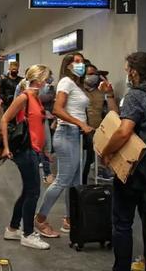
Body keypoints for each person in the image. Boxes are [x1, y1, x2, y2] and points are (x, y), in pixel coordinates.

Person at [99, 52, 146, 271]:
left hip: (136, 167)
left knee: (122, 223)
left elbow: (124, 131)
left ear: (135, 71)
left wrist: (106, 152)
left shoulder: (137, 95)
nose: (126, 73)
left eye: (127, 69)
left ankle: (121, 268)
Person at [30, 54, 95, 238]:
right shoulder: (66, 81)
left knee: (75, 182)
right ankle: (40, 219)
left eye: (82, 61)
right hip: (67, 134)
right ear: (67, 65)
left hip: (75, 136)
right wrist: (80, 124)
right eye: (76, 61)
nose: (80, 64)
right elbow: (57, 109)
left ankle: (70, 218)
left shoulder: (76, 84)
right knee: (62, 180)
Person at [0, 65, 52, 250]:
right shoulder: (24, 97)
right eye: (46, 80)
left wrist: (44, 151)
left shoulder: (35, 99)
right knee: (33, 191)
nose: (48, 84)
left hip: (34, 149)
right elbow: (5, 119)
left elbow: (36, 125)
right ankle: (28, 234)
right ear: (39, 80)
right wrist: (6, 147)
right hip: (25, 150)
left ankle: (13, 228)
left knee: (28, 191)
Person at [82, 63, 118, 184]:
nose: (92, 77)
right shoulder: (78, 91)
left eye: (95, 74)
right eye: (89, 74)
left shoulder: (102, 91)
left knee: (95, 162)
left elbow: (114, 112)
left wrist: (109, 93)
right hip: (83, 132)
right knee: (85, 163)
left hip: (100, 131)